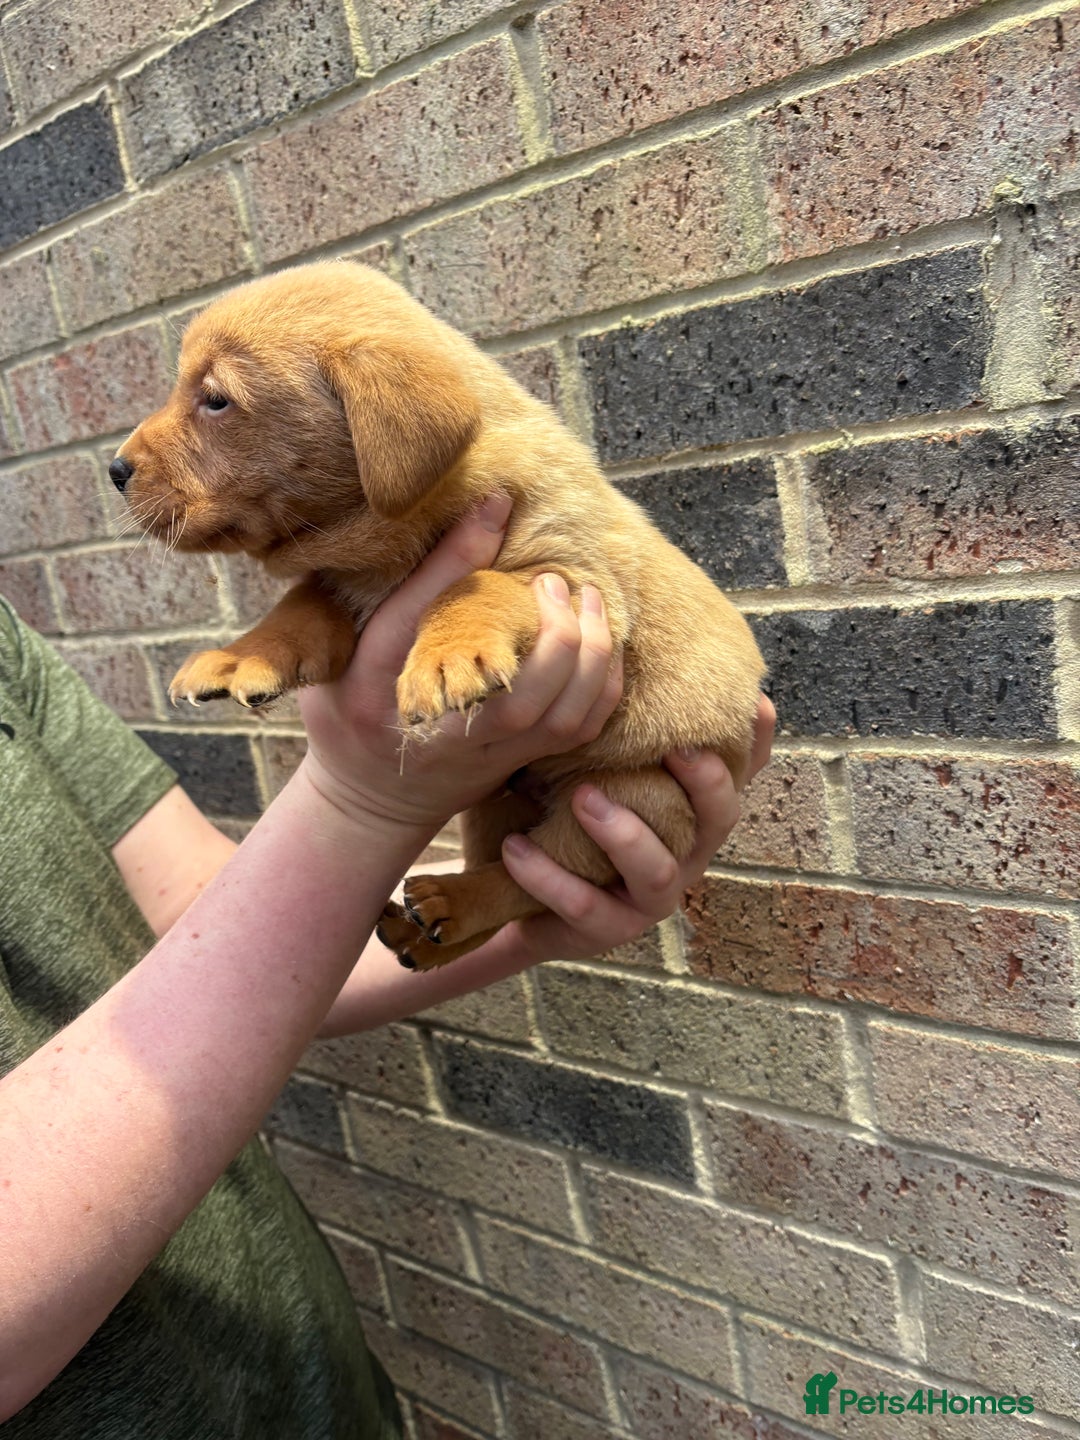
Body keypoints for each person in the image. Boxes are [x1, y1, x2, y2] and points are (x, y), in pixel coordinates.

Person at [0, 492, 773, 1435]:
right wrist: (359, 799)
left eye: (217, 403)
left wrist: (528, 910)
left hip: (303, 1378)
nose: (131, 462)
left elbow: (204, 928)